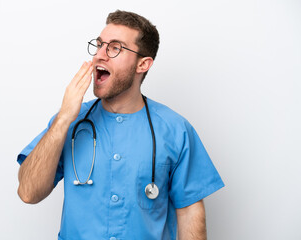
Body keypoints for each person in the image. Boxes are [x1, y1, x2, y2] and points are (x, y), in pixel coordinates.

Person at [17, 10, 224, 240]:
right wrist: (64, 118)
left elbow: (189, 214)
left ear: (143, 64)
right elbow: (28, 192)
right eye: (99, 45)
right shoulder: (69, 121)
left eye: (114, 48)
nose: (99, 56)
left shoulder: (175, 130)